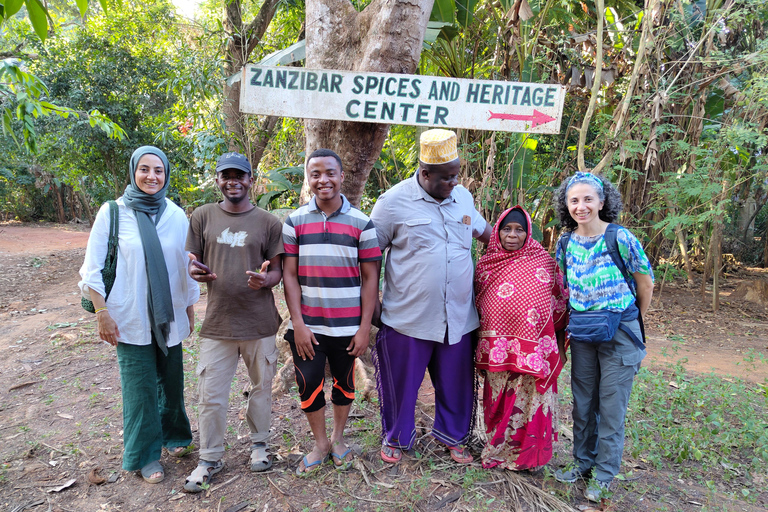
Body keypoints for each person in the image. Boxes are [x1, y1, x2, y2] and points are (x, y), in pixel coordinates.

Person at [370, 129, 492, 464]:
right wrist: (372, 306)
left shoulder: (463, 197)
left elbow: (486, 234)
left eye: (456, 176)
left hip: (458, 317)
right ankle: (396, 437)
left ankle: (453, 437)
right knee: (401, 385)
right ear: (425, 174)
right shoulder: (392, 202)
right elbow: (367, 255)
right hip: (408, 317)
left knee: (456, 383)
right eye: (447, 178)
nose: (454, 183)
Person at [79, 146, 199, 484]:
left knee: (172, 381)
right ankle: (145, 456)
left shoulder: (176, 215)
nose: (152, 176)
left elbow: (184, 268)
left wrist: (190, 310)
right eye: (144, 169)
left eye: (158, 170)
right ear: (133, 171)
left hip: (169, 315)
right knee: (140, 387)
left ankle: (175, 434)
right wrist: (102, 313)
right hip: (128, 317)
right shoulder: (112, 213)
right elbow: (93, 269)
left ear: (166, 175)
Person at [183, 152, 284, 492]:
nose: (233, 181)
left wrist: (264, 281)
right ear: (217, 180)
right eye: (226, 175)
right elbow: (192, 262)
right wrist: (195, 271)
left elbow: (279, 272)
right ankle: (209, 457)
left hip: (259, 323)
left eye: (239, 175)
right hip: (218, 323)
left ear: (251, 180)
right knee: (210, 394)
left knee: (261, 388)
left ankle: (259, 445)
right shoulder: (202, 216)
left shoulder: (269, 222)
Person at [552, 171, 654, 502]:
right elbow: (564, 289)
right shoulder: (564, 242)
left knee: (611, 407)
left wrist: (631, 320)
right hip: (582, 333)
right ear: (566, 205)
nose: (581, 206)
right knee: (583, 405)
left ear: (602, 201)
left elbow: (645, 284)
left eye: (587, 199)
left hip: (620, 332)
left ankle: (604, 474)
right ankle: (582, 464)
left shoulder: (620, 238)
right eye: (574, 200)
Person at [282, 149, 382, 475]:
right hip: (309, 326)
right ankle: (320, 443)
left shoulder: (362, 223)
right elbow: (290, 276)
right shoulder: (294, 222)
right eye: (315, 174)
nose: (323, 180)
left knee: (344, 385)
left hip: (348, 326)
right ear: (308, 179)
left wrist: (364, 327)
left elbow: (370, 279)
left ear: (341, 176)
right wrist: (297, 323)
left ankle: (338, 440)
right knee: (308, 385)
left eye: (329, 173)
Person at [474, 206, 569, 471]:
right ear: (497, 232)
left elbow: (559, 304)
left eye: (519, 230)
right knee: (498, 403)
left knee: (530, 404)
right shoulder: (485, 264)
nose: (512, 235)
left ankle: (529, 458)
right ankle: (497, 450)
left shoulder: (544, 262)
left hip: (535, 352)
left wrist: (559, 345)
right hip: (496, 351)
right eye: (506, 229)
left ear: (528, 233)